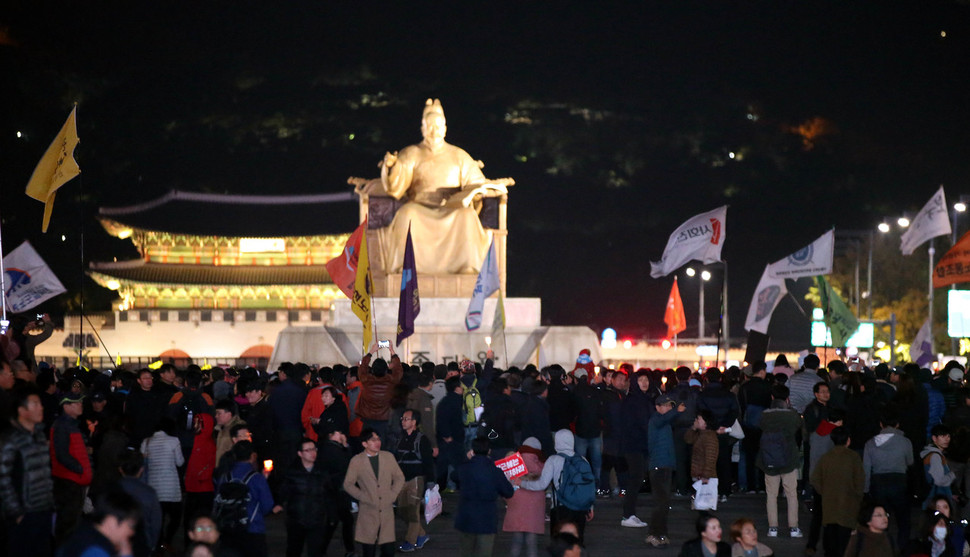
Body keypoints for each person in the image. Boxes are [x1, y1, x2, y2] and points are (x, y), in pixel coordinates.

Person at [374, 98, 513, 274]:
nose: (434, 131)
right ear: (423, 128)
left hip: (451, 208)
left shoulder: (459, 155)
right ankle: (406, 267)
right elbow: (396, 186)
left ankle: (467, 267)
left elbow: (476, 182)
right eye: (430, 126)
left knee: (467, 216)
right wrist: (391, 167)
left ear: (445, 129)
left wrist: (487, 188)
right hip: (419, 207)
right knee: (406, 214)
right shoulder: (411, 153)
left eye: (438, 126)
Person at [0, 386, 54, 557]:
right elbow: (3, 478)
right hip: (24, 514)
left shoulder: (39, 435)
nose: (41, 407)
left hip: (43, 510)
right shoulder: (10, 439)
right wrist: (16, 513)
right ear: (21, 410)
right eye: (35, 404)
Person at [519, 429, 595, 545]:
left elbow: (541, 484)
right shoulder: (583, 460)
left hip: (561, 509)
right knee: (576, 546)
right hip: (581, 510)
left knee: (560, 546)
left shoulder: (553, 460)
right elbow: (588, 485)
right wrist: (590, 507)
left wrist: (521, 483)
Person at [342, 427, 405, 557]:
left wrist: (393, 494)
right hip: (368, 511)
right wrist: (362, 496)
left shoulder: (388, 457)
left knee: (388, 550)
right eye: (373, 440)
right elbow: (348, 484)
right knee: (368, 550)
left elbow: (399, 477)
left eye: (378, 439)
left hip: (386, 510)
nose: (377, 442)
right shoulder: (357, 461)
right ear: (364, 444)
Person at [455, 436, 515, 557]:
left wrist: (466, 459)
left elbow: (453, 476)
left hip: (466, 517)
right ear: (489, 451)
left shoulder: (465, 468)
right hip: (486, 519)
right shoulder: (495, 471)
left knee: (465, 552)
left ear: (472, 450)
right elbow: (508, 492)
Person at [215, 440, 277, 557]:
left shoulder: (225, 476)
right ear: (252, 456)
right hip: (253, 528)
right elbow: (267, 505)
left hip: (228, 528)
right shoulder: (256, 478)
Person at [756, 385, 803, 538]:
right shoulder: (792, 416)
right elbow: (798, 428)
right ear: (787, 398)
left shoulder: (764, 416)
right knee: (791, 494)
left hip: (769, 458)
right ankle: (793, 528)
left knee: (771, 494)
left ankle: (773, 528)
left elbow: (760, 427)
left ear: (772, 398)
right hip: (789, 457)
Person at [863, 407, 913, 548]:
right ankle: (902, 548)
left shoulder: (870, 443)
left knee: (880, 519)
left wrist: (865, 490)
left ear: (881, 424)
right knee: (903, 520)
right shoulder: (905, 442)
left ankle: (882, 548)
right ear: (898, 424)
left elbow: (866, 468)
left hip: (878, 483)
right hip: (899, 482)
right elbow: (910, 462)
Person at [811, 426, 864, 557]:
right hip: (848, 506)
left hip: (829, 507)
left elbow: (815, 479)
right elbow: (860, 481)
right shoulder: (854, 457)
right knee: (845, 545)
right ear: (848, 440)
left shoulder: (826, 457)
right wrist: (858, 496)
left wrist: (824, 492)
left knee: (830, 545)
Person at [51, 391, 93, 544]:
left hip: (73, 480)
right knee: (69, 522)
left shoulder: (70, 425)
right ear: (66, 406)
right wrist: (80, 468)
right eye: (76, 403)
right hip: (69, 481)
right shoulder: (63, 426)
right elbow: (62, 454)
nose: (80, 405)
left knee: (72, 520)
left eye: (81, 402)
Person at [276, 438, 330, 557]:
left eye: (314, 449)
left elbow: (329, 493)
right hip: (297, 519)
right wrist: (278, 503)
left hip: (317, 519)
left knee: (315, 551)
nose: (312, 453)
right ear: (300, 453)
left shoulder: (322, 471)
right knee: (294, 549)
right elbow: (283, 491)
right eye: (308, 450)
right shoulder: (292, 472)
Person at [645, 393, 686, 547]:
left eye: (671, 406)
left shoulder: (662, 422)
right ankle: (656, 534)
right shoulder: (656, 419)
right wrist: (677, 411)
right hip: (659, 466)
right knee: (661, 502)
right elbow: (665, 419)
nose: (669, 408)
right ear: (657, 407)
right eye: (666, 405)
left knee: (663, 502)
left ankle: (658, 533)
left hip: (664, 465)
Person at [139, 417, 183, 551]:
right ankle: (167, 542)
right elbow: (180, 462)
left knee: (159, 519)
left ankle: (158, 545)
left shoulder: (146, 442)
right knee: (175, 518)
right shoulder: (174, 441)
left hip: (154, 487)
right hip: (172, 488)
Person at [395, 408, 435, 552]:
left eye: (406, 419)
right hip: (401, 479)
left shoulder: (422, 439)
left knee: (412, 511)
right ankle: (422, 534)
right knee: (402, 510)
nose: (403, 421)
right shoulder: (400, 437)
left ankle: (410, 541)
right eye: (403, 419)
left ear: (414, 422)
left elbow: (428, 461)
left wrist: (431, 481)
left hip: (416, 479)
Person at [56, 489, 140, 557]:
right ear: (111, 521)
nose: (132, 532)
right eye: (130, 526)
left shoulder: (84, 531)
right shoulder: (96, 551)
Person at [503, 437, 546, 557]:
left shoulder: (513, 463)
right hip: (535, 505)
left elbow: (506, 484)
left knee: (517, 539)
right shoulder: (543, 465)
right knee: (532, 540)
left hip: (516, 502)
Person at [116, 448, 162, 557]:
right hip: (142, 544)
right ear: (141, 470)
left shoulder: (111, 490)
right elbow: (156, 522)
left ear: (120, 469)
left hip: (116, 543)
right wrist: (151, 544)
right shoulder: (149, 493)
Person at [318, 427, 355, 557]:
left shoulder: (328, 448)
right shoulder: (332, 449)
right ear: (331, 435)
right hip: (336, 491)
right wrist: (346, 446)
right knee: (337, 521)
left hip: (334, 491)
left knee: (337, 521)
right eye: (339, 433)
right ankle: (348, 549)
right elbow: (347, 464)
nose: (342, 435)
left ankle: (323, 549)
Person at [922, 424, 957, 507]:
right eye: (943, 436)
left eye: (948, 436)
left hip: (935, 497)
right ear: (934, 438)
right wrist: (952, 475)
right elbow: (939, 480)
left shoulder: (933, 454)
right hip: (938, 498)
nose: (947, 439)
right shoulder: (935, 456)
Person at [214, 400, 246, 465]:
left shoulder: (239, 429)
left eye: (219, 413)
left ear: (229, 414)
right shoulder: (221, 429)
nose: (216, 416)